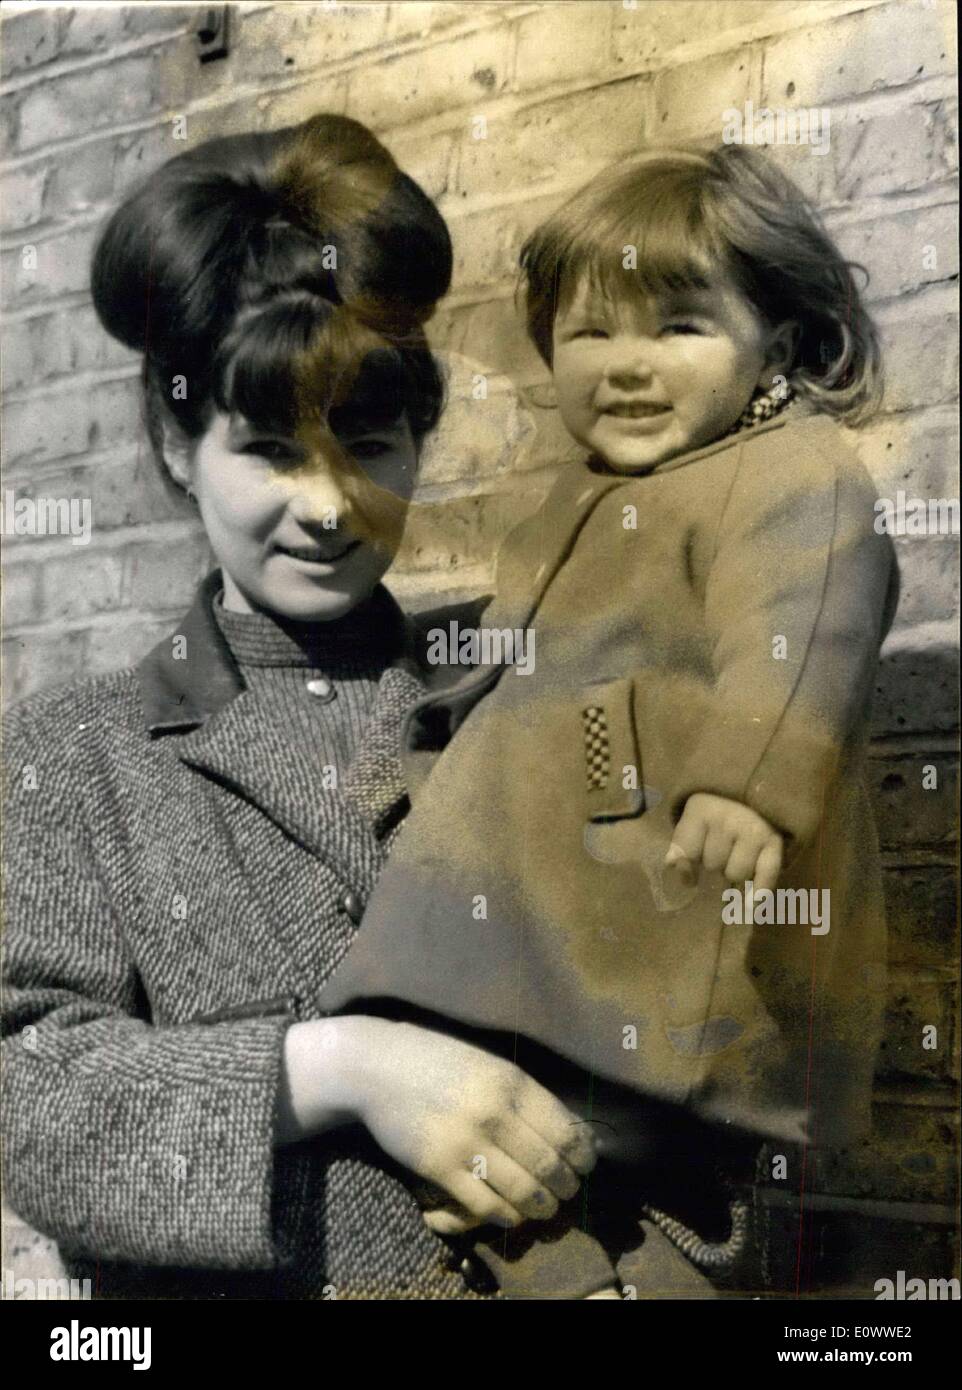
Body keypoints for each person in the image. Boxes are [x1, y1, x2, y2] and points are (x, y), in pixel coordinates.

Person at [1, 112, 599, 1301]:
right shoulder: (76, 754)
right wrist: (339, 1069)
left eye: (367, 443)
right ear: (177, 446)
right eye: (273, 449)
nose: (328, 507)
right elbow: (33, 1110)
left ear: (420, 439)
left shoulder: (519, 685)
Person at [317, 144, 901, 1298]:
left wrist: (746, 781)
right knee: (468, 1107)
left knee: (605, 1129)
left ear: (774, 343)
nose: (627, 366)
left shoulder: (791, 476)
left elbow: (801, 626)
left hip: (666, 878)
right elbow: (512, 655)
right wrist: (429, 753)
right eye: (590, 333)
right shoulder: (578, 496)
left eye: (678, 328)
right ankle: (564, 1262)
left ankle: (598, 1271)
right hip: (545, 891)